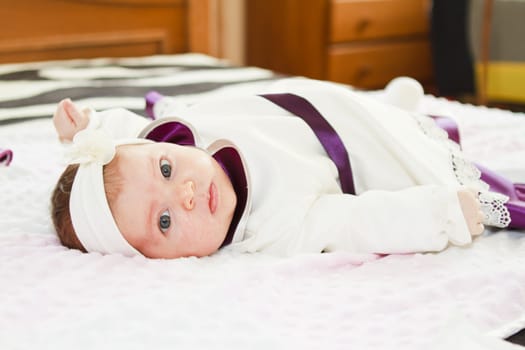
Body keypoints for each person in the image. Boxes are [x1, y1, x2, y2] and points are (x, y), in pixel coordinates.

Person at [50, 77, 514, 259]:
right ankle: (396, 113)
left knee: (356, 103)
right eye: (165, 221)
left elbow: (127, 135)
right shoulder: (275, 230)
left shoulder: (172, 134)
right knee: (393, 142)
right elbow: (357, 223)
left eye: (167, 171)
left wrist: (86, 127)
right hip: (345, 143)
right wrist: (441, 213)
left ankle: (389, 104)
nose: (186, 192)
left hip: (302, 104)